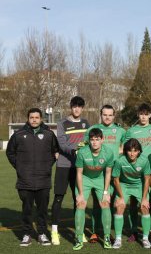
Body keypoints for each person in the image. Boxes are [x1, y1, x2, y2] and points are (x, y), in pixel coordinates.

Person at [6, 108, 59, 246]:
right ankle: (26, 234)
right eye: (31, 117)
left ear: (41, 119)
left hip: (43, 179)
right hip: (25, 180)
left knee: (42, 210)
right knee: (27, 210)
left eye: (37, 117)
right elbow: (10, 152)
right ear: (28, 119)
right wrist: (19, 167)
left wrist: (47, 166)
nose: (34, 120)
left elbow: (55, 151)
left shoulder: (49, 134)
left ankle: (42, 234)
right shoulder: (18, 134)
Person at [50, 96, 89, 245]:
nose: (77, 109)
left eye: (79, 106)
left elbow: (89, 141)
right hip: (64, 165)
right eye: (74, 106)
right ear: (71, 107)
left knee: (78, 199)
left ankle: (79, 232)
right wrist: (74, 151)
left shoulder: (86, 123)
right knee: (58, 197)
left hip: (79, 167)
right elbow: (62, 143)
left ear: (82, 108)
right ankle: (54, 231)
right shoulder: (62, 123)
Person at [84, 104, 126, 243]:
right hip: (97, 172)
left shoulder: (120, 131)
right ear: (100, 115)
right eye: (104, 115)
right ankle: (95, 232)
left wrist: (118, 153)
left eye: (110, 115)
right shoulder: (92, 129)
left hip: (115, 171)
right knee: (98, 203)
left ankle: (109, 231)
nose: (107, 117)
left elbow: (125, 147)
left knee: (113, 202)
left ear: (114, 116)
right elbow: (85, 148)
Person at [72, 128, 114, 250]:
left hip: (100, 179)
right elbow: (79, 173)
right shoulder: (82, 152)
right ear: (89, 141)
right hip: (85, 178)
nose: (94, 142)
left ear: (102, 140)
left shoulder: (108, 153)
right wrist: (80, 193)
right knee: (80, 203)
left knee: (105, 203)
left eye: (97, 139)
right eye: (92, 139)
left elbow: (108, 173)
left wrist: (106, 192)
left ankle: (106, 237)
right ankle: (79, 238)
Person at [112, 139, 151, 249]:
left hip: (139, 185)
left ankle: (145, 238)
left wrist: (144, 198)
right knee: (120, 206)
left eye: (135, 150)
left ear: (139, 151)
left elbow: (147, 179)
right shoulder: (120, 161)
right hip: (124, 185)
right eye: (129, 150)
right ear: (125, 151)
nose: (132, 153)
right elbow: (116, 180)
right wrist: (120, 197)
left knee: (144, 207)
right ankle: (118, 239)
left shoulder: (144, 161)